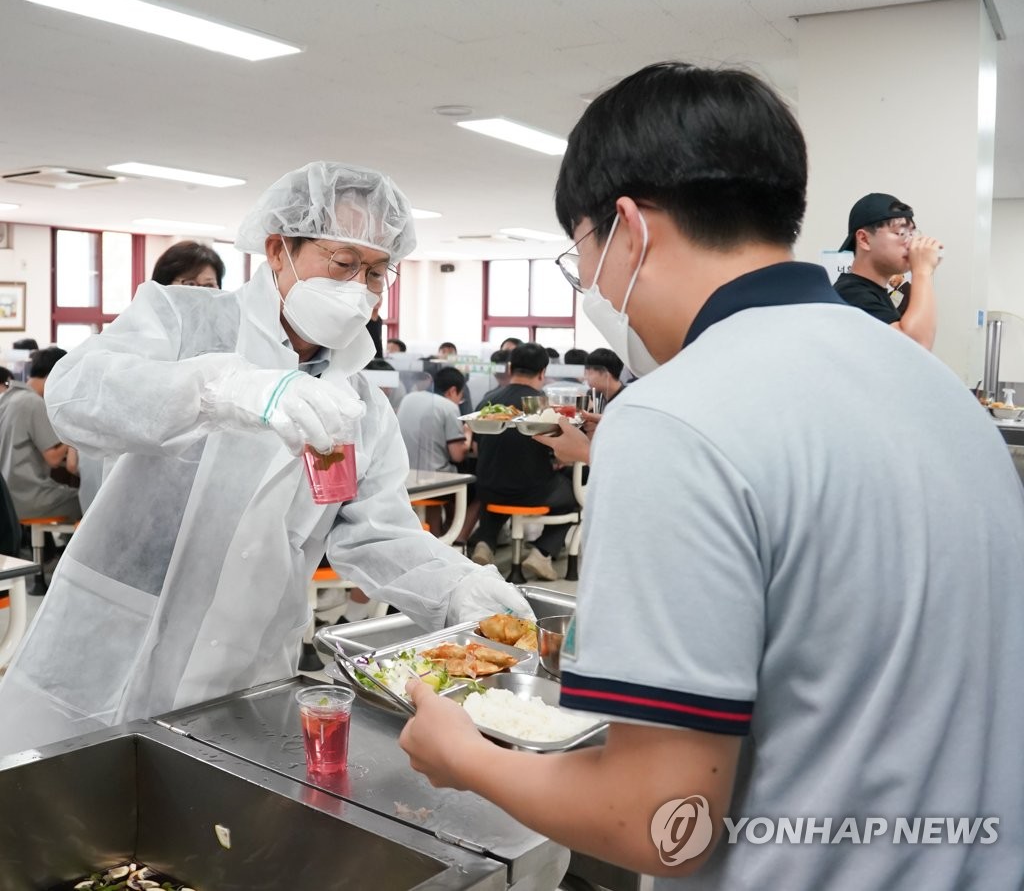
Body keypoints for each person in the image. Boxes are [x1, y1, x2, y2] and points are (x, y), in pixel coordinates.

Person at [399, 62, 1024, 889]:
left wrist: (464, 756)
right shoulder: (936, 387)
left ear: (628, 226)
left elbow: (661, 823)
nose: (587, 284)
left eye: (578, 255)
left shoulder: (674, 416)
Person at [0, 160, 531, 756]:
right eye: (343, 262)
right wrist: (221, 390)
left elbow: (375, 535)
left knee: (206, 826)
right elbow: (77, 393)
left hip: (248, 669)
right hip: (114, 645)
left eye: (378, 272)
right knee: (65, 822)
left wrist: (457, 588)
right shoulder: (185, 319)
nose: (360, 287)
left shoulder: (360, 405)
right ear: (278, 249)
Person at [469, 342, 576, 581]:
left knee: (499, 481)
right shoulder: (541, 405)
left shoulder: (488, 400)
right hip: (530, 491)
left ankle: (485, 543)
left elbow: (475, 447)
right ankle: (542, 552)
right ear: (542, 372)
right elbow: (561, 453)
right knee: (573, 494)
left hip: (488, 490)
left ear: (509, 367)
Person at [834, 193, 942, 350]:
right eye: (901, 233)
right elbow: (917, 347)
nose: (911, 242)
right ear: (864, 239)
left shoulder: (872, 291)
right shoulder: (850, 294)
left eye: (912, 233)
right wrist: (922, 270)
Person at [0, 346, 80, 522]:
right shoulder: (33, 402)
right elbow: (53, 459)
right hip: (25, 498)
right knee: (85, 499)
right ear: (54, 375)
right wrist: (71, 431)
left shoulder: (7, 399)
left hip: (6, 499)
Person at [397, 366, 469, 474]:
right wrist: (468, 433)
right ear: (452, 391)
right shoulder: (449, 407)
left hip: (404, 472)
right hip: (437, 476)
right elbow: (457, 456)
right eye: (461, 397)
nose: (459, 401)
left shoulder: (408, 398)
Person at [151, 240, 225, 289]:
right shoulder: (147, 312)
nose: (202, 292)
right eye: (190, 284)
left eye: (209, 286)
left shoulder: (224, 312)